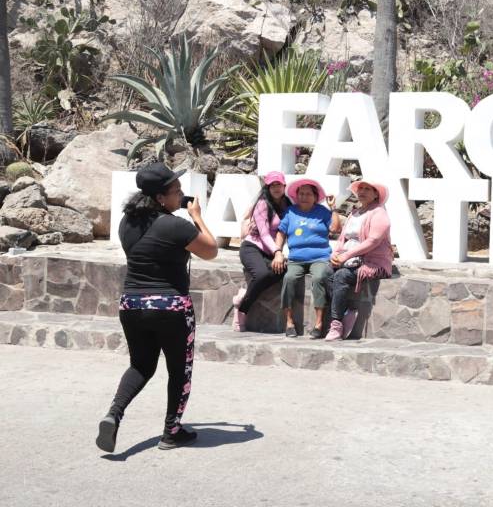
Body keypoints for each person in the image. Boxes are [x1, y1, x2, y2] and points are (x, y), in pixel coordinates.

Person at [96, 162, 218, 453]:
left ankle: (114, 413)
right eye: (177, 191)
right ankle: (171, 431)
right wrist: (197, 218)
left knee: (140, 365)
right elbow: (211, 250)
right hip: (171, 306)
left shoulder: (128, 222)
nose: (182, 195)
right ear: (161, 198)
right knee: (179, 370)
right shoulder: (175, 225)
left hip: (131, 304)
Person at [325, 180, 393, 341]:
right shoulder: (354, 213)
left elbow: (372, 241)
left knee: (341, 275)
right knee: (324, 273)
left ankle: (336, 324)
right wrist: (335, 254)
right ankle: (346, 310)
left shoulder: (379, 214)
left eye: (367, 189)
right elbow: (342, 238)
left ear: (376, 194)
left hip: (370, 261)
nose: (361, 191)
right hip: (347, 258)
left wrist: (345, 256)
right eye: (360, 188)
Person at [273, 178, 341, 338]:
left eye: (308, 194)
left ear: (315, 197)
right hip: (296, 258)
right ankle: (289, 322)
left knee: (319, 278)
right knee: (289, 278)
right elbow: (281, 233)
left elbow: (336, 229)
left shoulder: (323, 212)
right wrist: (278, 252)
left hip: (320, 257)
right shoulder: (291, 212)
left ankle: (319, 324)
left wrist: (334, 209)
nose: (304, 196)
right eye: (301, 193)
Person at [232, 171, 292, 332]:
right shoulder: (262, 204)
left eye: (279, 184)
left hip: (271, 251)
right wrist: (278, 252)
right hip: (252, 247)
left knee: (282, 270)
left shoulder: (287, 204)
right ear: (267, 187)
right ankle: (242, 308)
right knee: (262, 274)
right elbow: (264, 234)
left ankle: (244, 294)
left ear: (284, 185)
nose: (276, 188)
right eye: (272, 185)